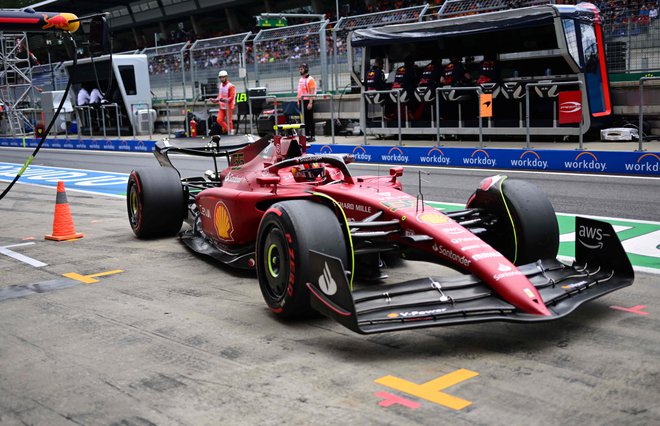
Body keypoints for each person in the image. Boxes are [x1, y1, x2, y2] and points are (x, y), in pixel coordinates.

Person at [210, 70, 236, 134]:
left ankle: (230, 131)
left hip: (229, 105)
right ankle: (229, 130)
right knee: (219, 120)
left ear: (226, 77)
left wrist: (225, 100)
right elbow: (219, 96)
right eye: (220, 77)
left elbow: (231, 97)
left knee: (229, 120)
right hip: (222, 106)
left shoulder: (231, 86)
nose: (222, 79)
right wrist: (215, 100)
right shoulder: (221, 85)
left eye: (223, 77)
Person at [297, 63, 317, 141]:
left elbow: (312, 92)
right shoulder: (301, 79)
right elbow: (299, 91)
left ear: (305, 69)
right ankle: (307, 135)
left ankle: (312, 136)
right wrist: (298, 101)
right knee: (304, 119)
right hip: (302, 101)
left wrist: (310, 102)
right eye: (300, 69)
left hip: (308, 101)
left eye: (301, 69)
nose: (300, 70)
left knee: (310, 119)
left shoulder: (310, 79)